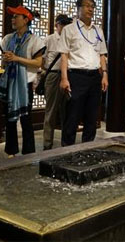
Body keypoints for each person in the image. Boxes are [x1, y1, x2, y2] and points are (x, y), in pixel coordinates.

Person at [58, 0, 108, 146]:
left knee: (92, 117)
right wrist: (64, 78)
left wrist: (105, 75)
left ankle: (88, 149)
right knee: (72, 116)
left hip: (95, 77)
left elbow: (102, 55)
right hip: (76, 76)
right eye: (86, 6)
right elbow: (64, 55)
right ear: (78, 8)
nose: (90, 9)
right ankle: (67, 151)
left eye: (92, 6)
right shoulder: (69, 29)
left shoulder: (98, 30)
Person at [0, 5, 44, 157]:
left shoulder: (35, 40)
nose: (12, 19)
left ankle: (28, 151)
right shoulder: (7, 39)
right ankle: (11, 151)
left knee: (26, 119)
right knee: (9, 118)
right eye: (12, 17)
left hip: (25, 84)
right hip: (10, 82)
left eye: (16, 16)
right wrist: (6, 60)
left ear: (25, 20)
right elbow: (3, 64)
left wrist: (17, 58)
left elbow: (38, 63)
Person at [42, 14, 72, 150]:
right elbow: (42, 59)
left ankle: (66, 143)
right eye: (62, 24)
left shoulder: (71, 39)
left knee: (68, 111)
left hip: (69, 76)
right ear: (56, 25)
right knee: (51, 111)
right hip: (53, 75)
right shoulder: (49, 39)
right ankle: (47, 144)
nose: (65, 27)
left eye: (67, 24)